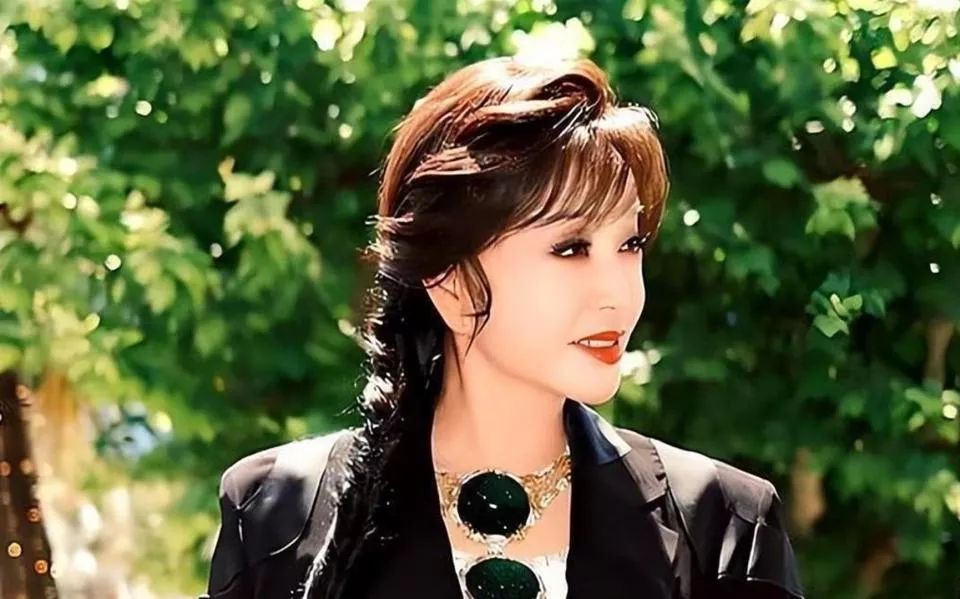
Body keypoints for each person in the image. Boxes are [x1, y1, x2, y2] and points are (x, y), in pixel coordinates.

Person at [201, 56, 805, 599]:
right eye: (571, 248)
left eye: (630, 245)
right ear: (451, 281)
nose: (619, 293)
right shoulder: (276, 511)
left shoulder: (724, 526)